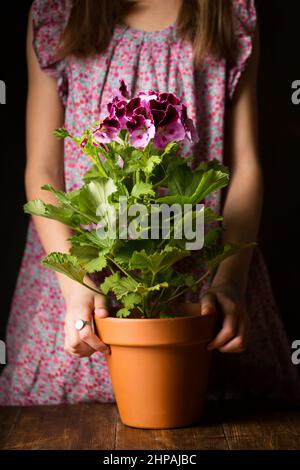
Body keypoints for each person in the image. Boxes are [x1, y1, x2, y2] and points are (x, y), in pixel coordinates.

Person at [0, 0, 299, 405]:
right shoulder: (59, 12)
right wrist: (75, 285)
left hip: (197, 282)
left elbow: (244, 167)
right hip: (81, 279)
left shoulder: (231, 13)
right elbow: (42, 171)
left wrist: (230, 282)